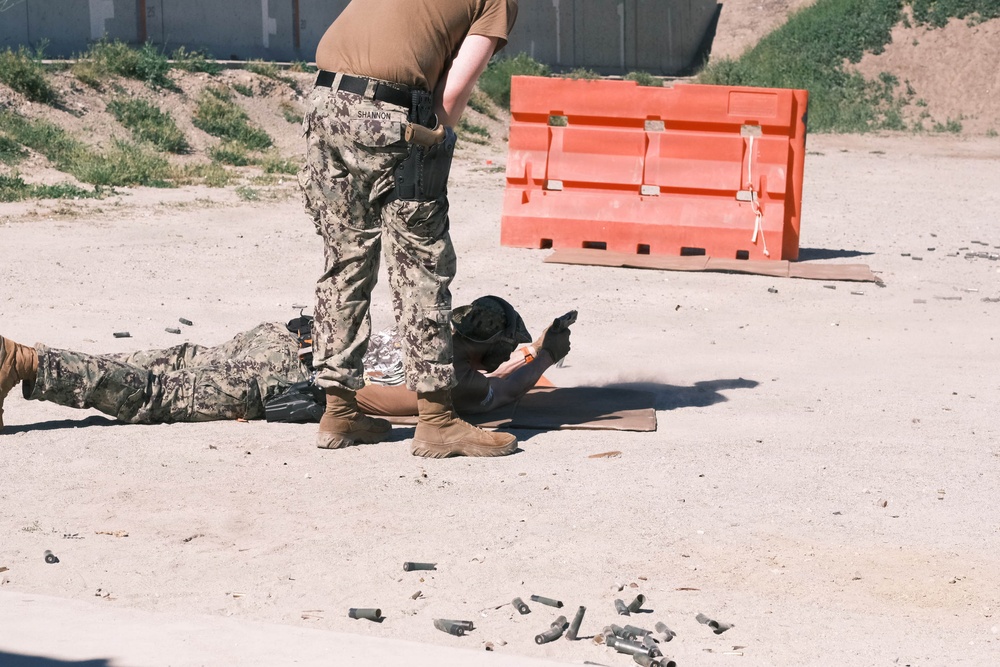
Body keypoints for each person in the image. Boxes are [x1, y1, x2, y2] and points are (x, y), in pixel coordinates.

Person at [299, 0, 520, 458]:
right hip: (392, 116)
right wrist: (434, 148)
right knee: (421, 268)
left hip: (323, 103)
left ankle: (339, 410)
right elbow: (451, 98)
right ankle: (438, 421)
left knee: (345, 259)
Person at [0, 297, 573, 457]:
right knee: (153, 395)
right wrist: (542, 358)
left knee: (154, 367)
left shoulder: (419, 327)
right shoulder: (454, 380)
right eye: (496, 353)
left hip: (285, 336)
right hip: (282, 371)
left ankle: (18, 364)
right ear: (484, 349)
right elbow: (503, 392)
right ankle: (22, 361)